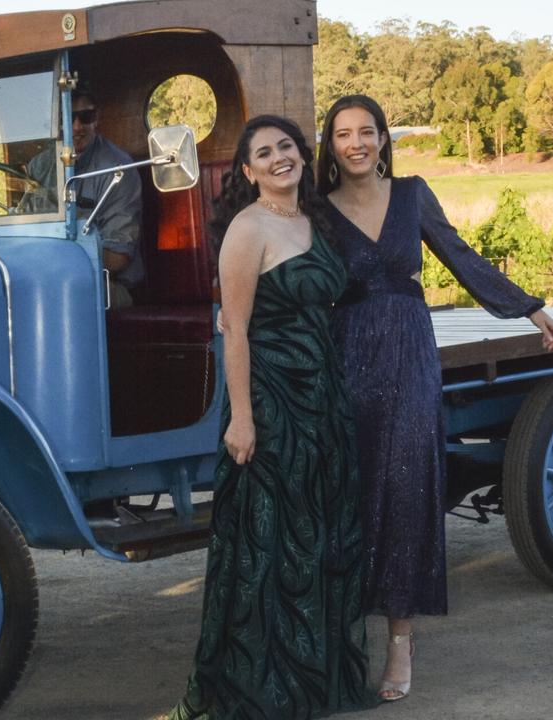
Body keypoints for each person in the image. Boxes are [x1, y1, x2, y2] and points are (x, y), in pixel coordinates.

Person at [314, 94, 553, 702]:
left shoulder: (412, 194)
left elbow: (459, 255)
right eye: (343, 134)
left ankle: (400, 636)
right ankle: (347, 632)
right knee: (351, 491)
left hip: (408, 355)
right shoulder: (317, 211)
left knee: (406, 488)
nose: (356, 143)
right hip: (346, 358)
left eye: (366, 132)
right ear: (331, 143)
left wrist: (524, 305)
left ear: (382, 138)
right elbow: (293, 278)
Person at [166, 115, 380, 720]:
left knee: (321, 538)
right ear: (249, 170)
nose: (280, 157)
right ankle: (262, 691)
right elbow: (234, 328)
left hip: (324, 400)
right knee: (269, 546)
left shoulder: (315, 221)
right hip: (271, 402)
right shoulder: (247, 228)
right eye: (265, 152)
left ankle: (315, 682)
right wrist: (242, 418)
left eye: (287, 146)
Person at [28, 89, 143, 308]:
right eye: (68, 118)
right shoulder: (39, 167)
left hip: (109, 283)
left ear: (96, 118)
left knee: (57, 298)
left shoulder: (119, 169)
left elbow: (119, 257)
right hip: (48, 276)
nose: (77, 126)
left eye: (86, 117)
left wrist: (54, 261)